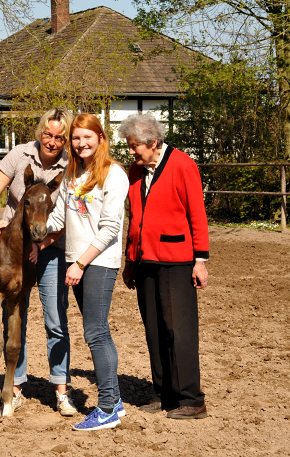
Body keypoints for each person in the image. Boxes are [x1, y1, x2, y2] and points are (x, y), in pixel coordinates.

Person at [0, 108, 77, 416]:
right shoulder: (19, 155)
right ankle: (14, 386)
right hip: (13, 248)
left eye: (59, 137)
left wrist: (43, 243)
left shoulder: (70, 166)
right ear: (40, 132)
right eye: (48, 134)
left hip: (52, 246)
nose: (52, 141)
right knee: (17, 316)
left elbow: (71, 214)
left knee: (56, 318)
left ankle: (61, 389)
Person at [35, 113, 129, 431]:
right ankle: (113, 401)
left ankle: (106, 409)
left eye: (87, 136)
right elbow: (60, 219)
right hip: (78, 260)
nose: (80, 143)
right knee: (95, 332)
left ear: (101, 138)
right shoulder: (75, 172)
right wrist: (29, 230)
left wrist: (80, 263)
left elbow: (110, 228)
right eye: (76, 138)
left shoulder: (113, 174)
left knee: (96, 332)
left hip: (98, 262)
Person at [118, 112, 209, 420]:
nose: (131, 151)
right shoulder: (135, 169)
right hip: (144, 259)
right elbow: (134, 218)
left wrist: (201, 260)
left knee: (178, 330)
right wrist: (130, 260)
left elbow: (197, 212)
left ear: (153, 142)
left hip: (177, 261)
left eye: (134, 146)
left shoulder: (183, 164)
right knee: (154, 329)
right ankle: (163, 393)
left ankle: (191, 398)